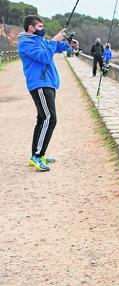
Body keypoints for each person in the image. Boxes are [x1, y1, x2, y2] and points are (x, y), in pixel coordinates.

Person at [17, 15, 70, 171]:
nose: (42, 29)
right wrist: (54, 40)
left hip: (48, 83)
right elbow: (44, 56)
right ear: (31, 27)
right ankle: (37, 156)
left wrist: (67, 43)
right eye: (40, 26)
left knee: (42, 119)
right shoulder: (25, 43)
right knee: (50, 118)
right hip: (40, 84)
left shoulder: (39, 41)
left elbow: (56, 48)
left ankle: (37, 154)